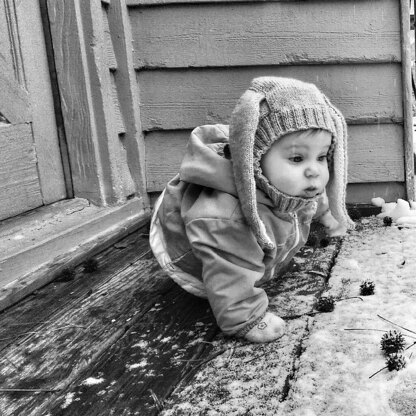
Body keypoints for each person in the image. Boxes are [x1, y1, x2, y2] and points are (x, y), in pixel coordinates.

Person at [149, 77, 355, 343]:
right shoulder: (227, 217)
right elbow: (228, 270)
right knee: (233, 260)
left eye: (321, 157)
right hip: (195, 262)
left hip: (240, 247)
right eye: (296, 158)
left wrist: (326, 216)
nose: (314, 170)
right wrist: (247, 320)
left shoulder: (295, 185)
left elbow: (313, 200)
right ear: (254, 158)